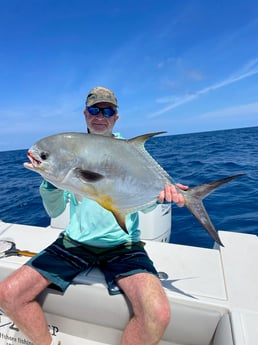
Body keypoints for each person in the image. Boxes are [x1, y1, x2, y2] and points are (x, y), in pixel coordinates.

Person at [0, 87, 187, 345]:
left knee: (158, 313)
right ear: (85, 114)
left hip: (124, 245)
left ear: (116, 117)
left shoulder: (129, 151)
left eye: (107, 110)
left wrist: (164, 195)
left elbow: (142, 207)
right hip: (75, 243)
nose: (101, 115)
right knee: (8, 294)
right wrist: (51, 179)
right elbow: (54, 211)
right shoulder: (71, 150)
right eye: (94, 110)